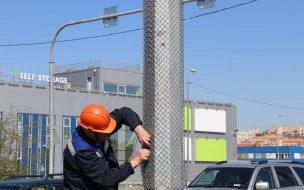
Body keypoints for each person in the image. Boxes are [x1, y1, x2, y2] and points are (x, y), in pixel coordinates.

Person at [63, 104, 151, 190]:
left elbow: (124, 113)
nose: (109, 133)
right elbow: (106, 178)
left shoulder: (99, 126)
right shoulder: (82, 150)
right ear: (90, 131)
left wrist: (139, 130)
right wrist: (135, 162)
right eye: (105, 131)